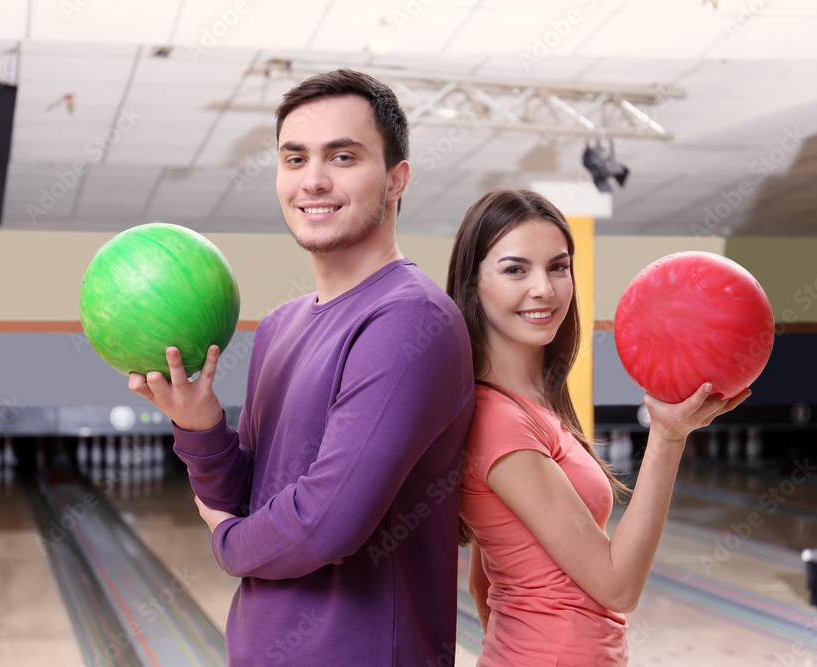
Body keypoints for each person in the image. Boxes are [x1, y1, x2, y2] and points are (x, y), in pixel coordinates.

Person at [129, 69, 475, 666]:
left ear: (397, 179)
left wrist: (226, 542)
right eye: (294, 159)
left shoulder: (410, 320)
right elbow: (243, 497)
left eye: (342, 156)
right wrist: (200, 426)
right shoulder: (279, 327)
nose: (313, 180)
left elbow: (324, 525)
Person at [445, 188, 749, 665]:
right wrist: (668, 438)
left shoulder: (531, 404)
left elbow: (483, 579)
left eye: (558, 266)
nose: (544, 288)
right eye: (514, 269)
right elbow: (617, 586)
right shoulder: (500, 422)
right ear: (473, 284)